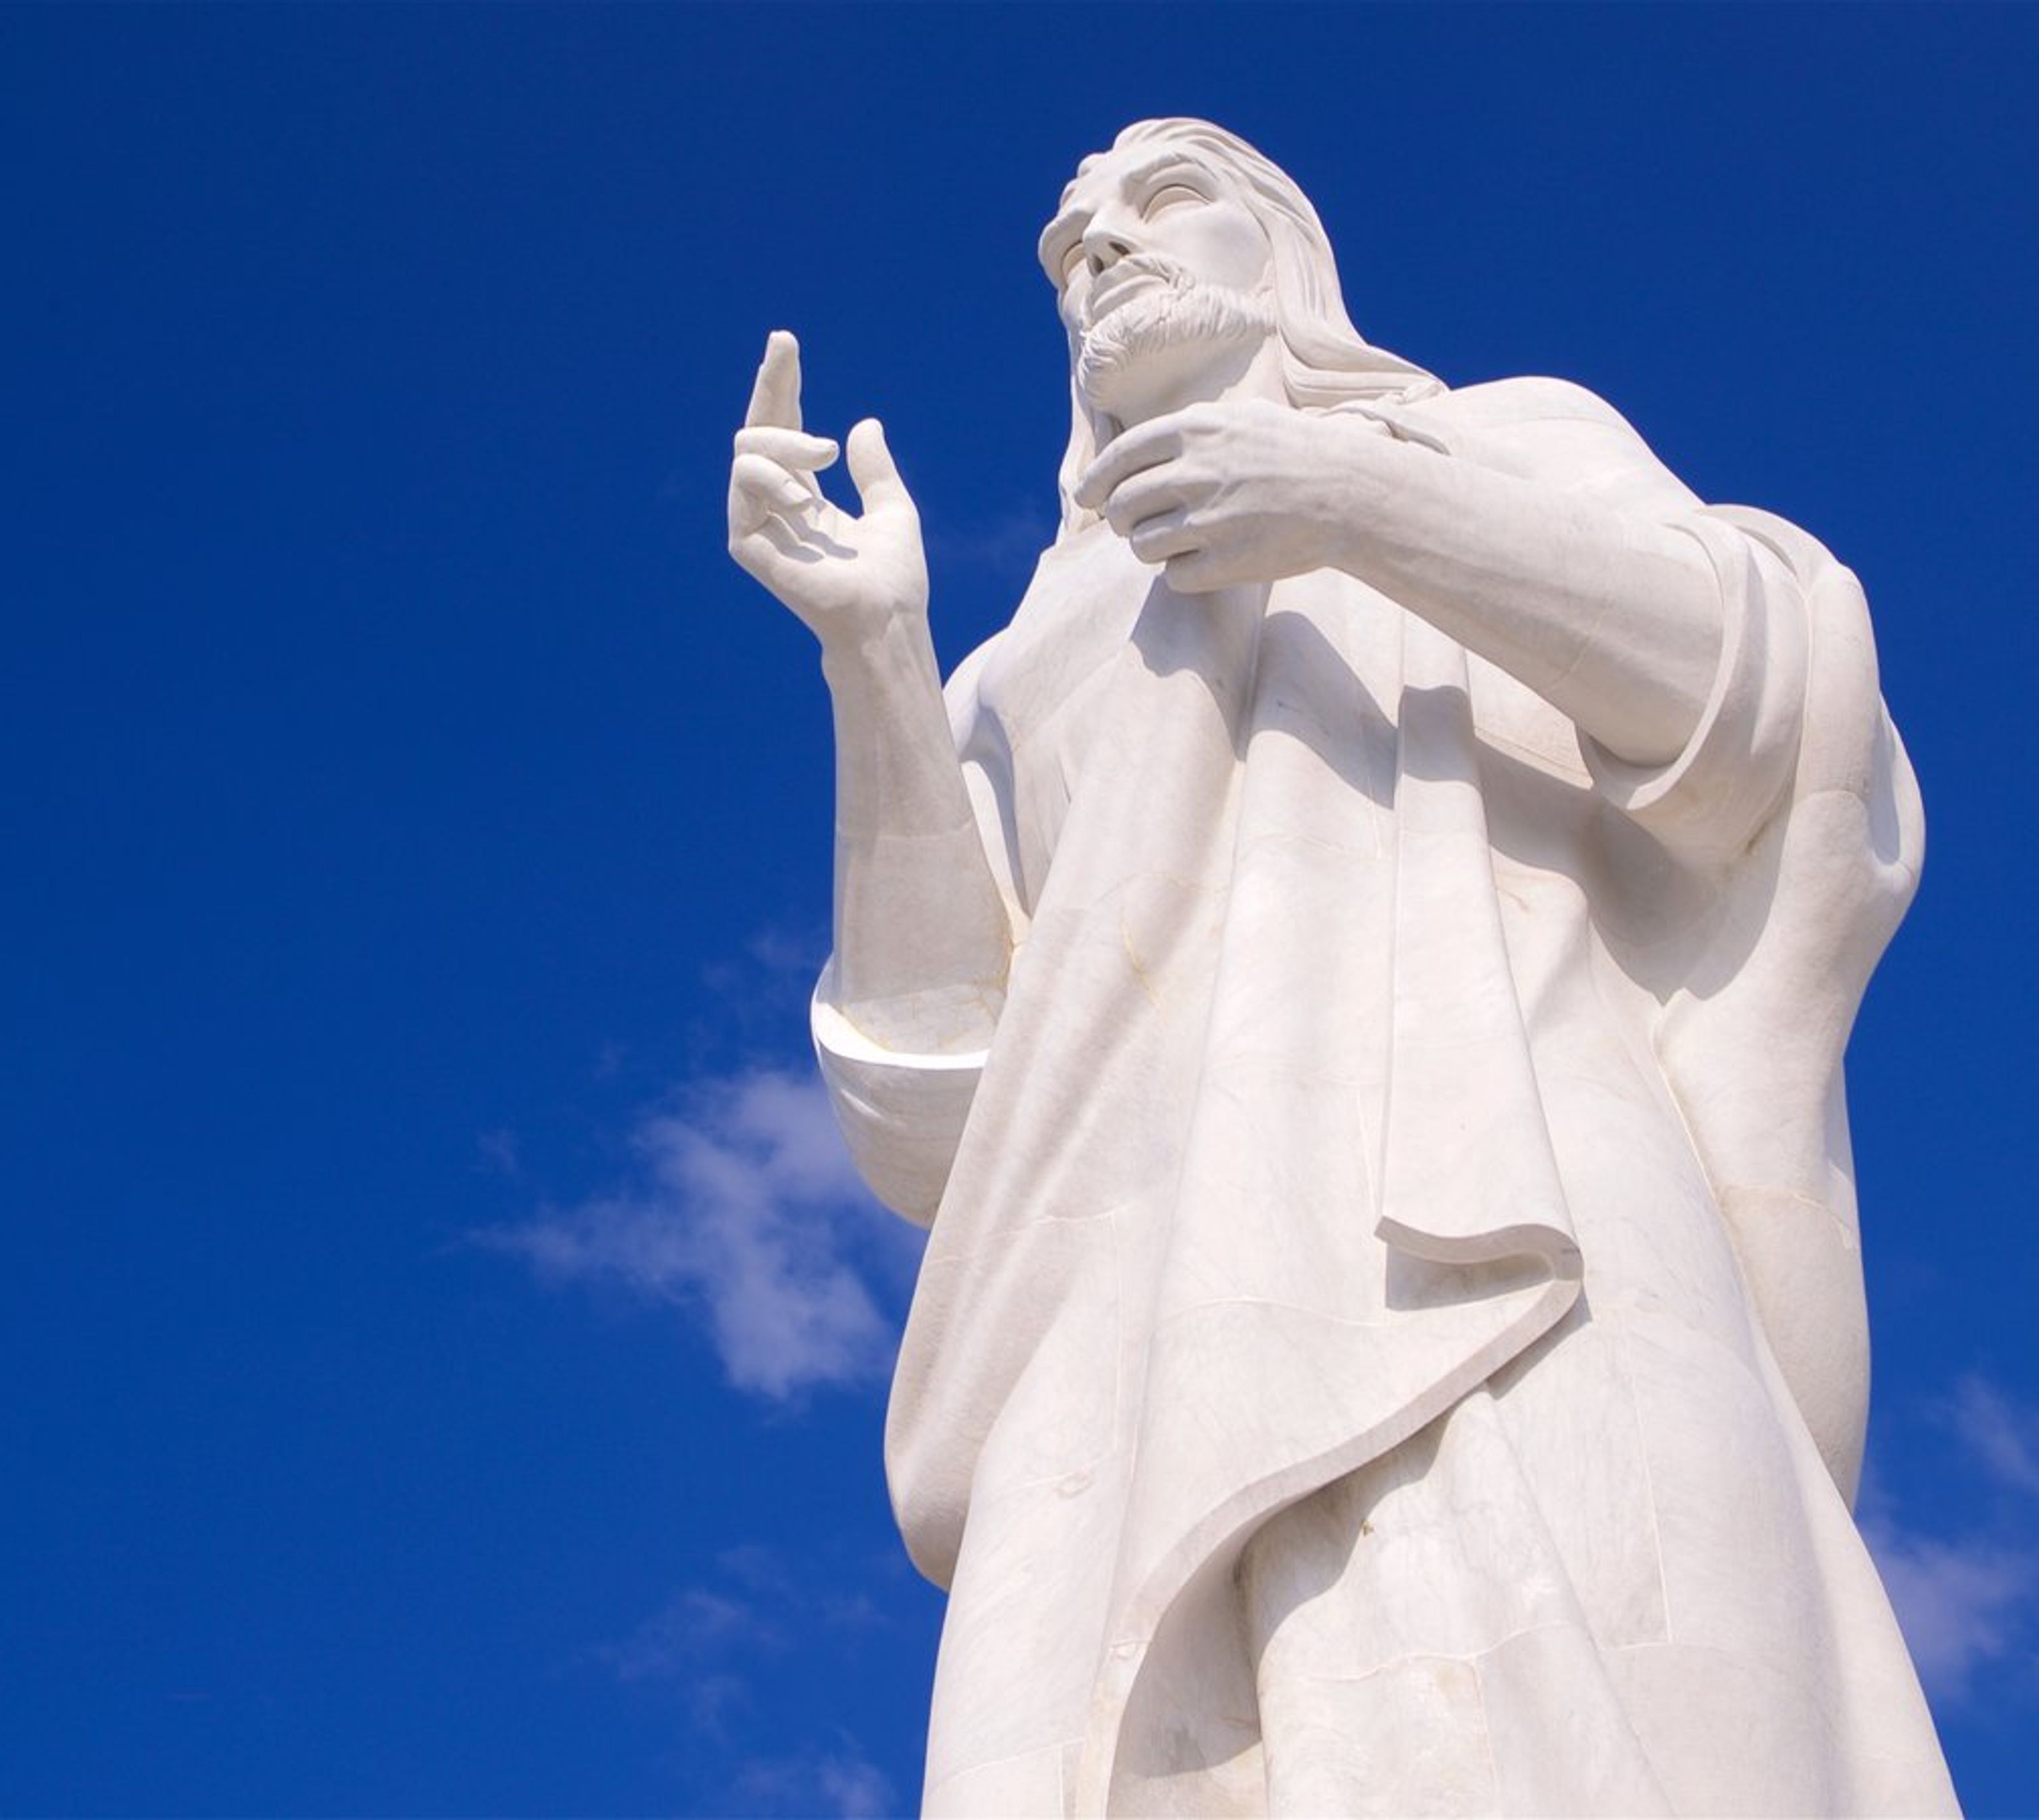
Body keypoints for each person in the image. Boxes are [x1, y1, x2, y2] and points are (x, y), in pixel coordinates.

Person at [726, 118, 1953, 1817]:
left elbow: (1774, 716)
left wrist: (1360, 506)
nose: (1103, 255)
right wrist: (878, 661)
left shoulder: (1498, 438)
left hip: (1512, 1219)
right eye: (1071, 248)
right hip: (1117, 1332)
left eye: (1160, 204)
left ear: (1282, 250)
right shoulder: (1024, 666)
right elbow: (941, 1112)